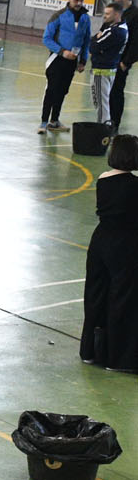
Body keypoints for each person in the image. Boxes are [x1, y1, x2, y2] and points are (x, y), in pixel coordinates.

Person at [80, 134, 138, 372]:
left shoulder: (103, 179)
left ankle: (90, 351)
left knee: (96, 294)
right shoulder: (134, 185)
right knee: (122, 299)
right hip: (125, 246)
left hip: (100, 242)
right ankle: (118, 358)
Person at [40, 0, 92, 134]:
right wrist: (62, 52)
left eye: (81, 0)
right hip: (56, 60)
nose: (79, 3)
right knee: (51, 90)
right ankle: (44, 122)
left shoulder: (85, 18)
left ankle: (54, 121)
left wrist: (83, 61)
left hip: (72, 62)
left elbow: (86, 40)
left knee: (62, 91)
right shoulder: (58, 16)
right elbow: (46, 38)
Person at [90, 3, 130, 126]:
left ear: (116, 14)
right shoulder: (119, 27)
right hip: (109, 69)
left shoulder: (115, 31)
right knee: (102, 104)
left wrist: (95, 40)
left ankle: (103, 130)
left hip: (101, 71)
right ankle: (104, 127)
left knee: (101, 106)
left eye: (107, 14)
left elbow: (93, 46)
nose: (104, 16)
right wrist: (97, 40)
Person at [111, 0, 138, 131]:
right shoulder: (116, 12)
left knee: (116, 91)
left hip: (121, 61)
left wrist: (126, 62)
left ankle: (114, 123)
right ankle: (106, 120)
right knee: (107, 91)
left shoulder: (135, 15)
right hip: (109, 59)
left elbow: (135, 42)